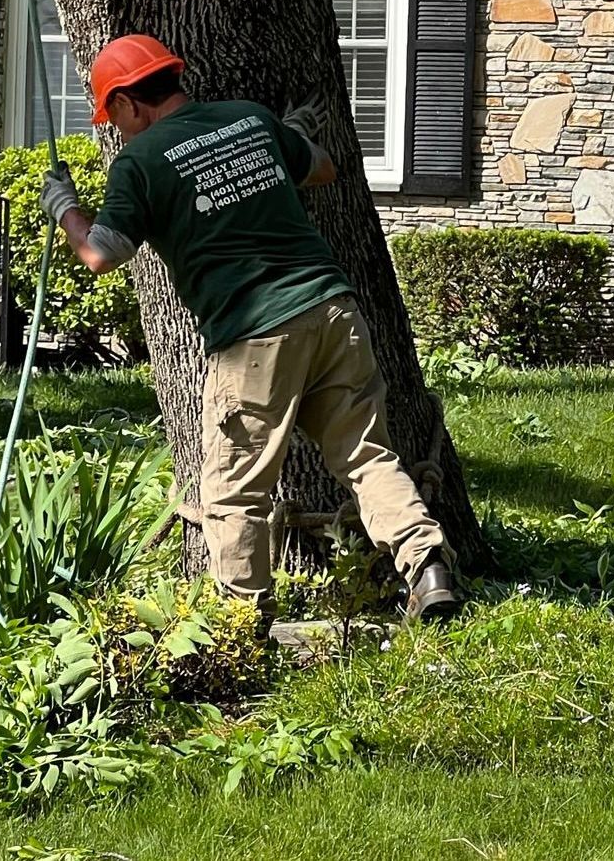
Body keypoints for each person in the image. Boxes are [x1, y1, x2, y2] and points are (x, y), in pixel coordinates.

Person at [39, 33, 459, 627]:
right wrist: (289, 139)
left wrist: (65, 208)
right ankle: (428, 565)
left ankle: (241, 627)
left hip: (255, 334)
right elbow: (321, 168)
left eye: (115, 118)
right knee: (367, 456)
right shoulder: (250, 120)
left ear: (131, 103)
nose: (117, 131)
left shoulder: (140, 159)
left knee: (236, 488)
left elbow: (102, 253)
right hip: (333, 309)